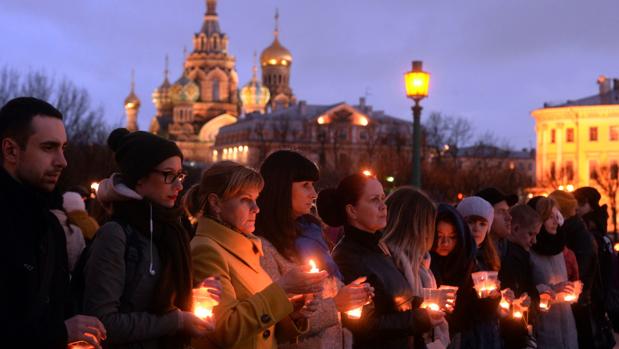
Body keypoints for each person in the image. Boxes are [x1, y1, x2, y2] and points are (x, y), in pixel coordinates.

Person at [83, 128, 216, 348]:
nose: (179, 185)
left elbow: (155, 295)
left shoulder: (172, 228)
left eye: (180, 175)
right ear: (140, 178)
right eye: (168, 175)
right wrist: (178, 320)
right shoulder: (116, 234)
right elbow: (103, 323)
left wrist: (196, 293)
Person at [185, 161, 327, 349]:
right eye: (245, 199)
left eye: (256, 199)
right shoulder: (207, 250)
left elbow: (259, 327)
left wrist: (292, 311)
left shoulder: (245, 246)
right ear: (216, 203)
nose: (256, 208)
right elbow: (224, 330)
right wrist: (282, 288)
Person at [0, 97, 106, 348]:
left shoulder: (50, 226)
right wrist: (59, 333)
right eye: (49, 148)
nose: (62, 161)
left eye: (63, 148)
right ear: (11, 150)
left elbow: (60, 309)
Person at [256, 150, 372, 349]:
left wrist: (351, 294)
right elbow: (275, 319)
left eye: (313, 185)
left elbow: (326, 290)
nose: (314, 193)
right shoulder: (264, 246)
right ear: (281, 189)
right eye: (305, 186)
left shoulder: (311, 234)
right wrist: (336, 304)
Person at [318, 174, 442, 349]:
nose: (384, 206)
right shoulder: (348, 257)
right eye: (374, 200)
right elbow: (364, 325)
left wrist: (425, 303)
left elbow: (394, 299)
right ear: (352, 210)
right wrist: (419, 319)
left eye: (383, 198)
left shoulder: (379, 247)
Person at [382, 186, 449, 348]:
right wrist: (423, 315)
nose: (430, 233)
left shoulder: (423, 263)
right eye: (428, 225)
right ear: (414, 227)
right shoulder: (390, 261)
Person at [549, 190, 615, 348]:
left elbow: (579, 278)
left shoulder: (577, 236)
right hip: (584, 309)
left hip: (583, 311)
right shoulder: (576, 231)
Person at [528, 196, 578, 349]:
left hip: (567, 328)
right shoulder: (529, 251)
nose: (555, 221)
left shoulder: (559, 249)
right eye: (549, 217)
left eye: (556, 216)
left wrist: (573, 289)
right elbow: (525, 292)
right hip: (543, 330)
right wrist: (551, 290)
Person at [455, 196, 503, 348]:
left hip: (488, 332)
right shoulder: (457, 257)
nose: (476, 228)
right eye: (471, 222)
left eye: (482, 224)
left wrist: (497, 296)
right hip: (466, 333)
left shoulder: (488, 259)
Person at [430, 203, 478, 341]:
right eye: (439, 236)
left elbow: (473, 311)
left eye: (452, 237)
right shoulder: (423, 264)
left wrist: (491, 299)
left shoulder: (466, 264)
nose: (445, 243)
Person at [498, 204, 542, 349]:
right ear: (515, 229)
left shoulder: (521, 255)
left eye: (536, 235)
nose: (534, 241)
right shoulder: (508, 257)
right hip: (512, 331)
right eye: (531, 234)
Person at [476, 187, 516, 261]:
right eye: (501, 211)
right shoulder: (468, 259)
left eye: (508, 211)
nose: (509, 217)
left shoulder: (511, 253)